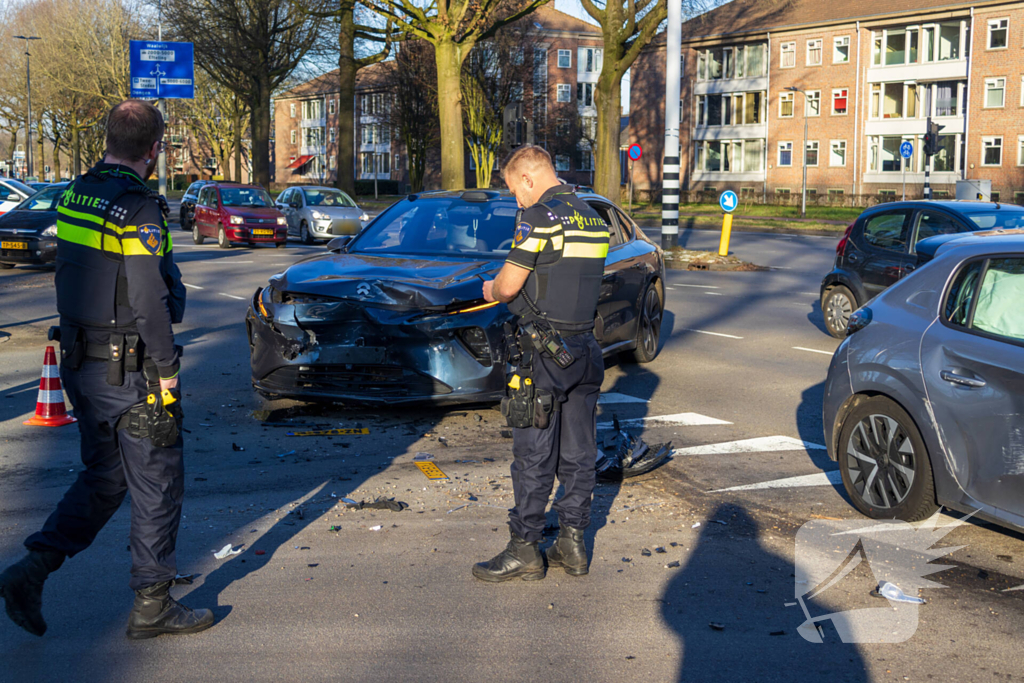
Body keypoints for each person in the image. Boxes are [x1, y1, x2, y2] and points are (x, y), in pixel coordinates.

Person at [0, 100, 214, 640]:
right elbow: (148, 301)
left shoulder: (77, 192)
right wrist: (166, 371)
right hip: (131, 372)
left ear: (108, 139)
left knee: (106, 478)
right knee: (158, 484)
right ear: (155, 147)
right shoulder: (139, 208)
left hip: (80, 364)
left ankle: (32, 569)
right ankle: (153, 605)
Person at [474, 145, 608, 582]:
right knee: (579, 452)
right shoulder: (592, 215)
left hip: (544, 354)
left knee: (533, 453)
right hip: (586, 350)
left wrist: (488, 288)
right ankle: (573, 544)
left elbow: (510, 287)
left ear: (530, 179)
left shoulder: (539, 218)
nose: (517, 200)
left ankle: (525, 549)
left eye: (516, 190)